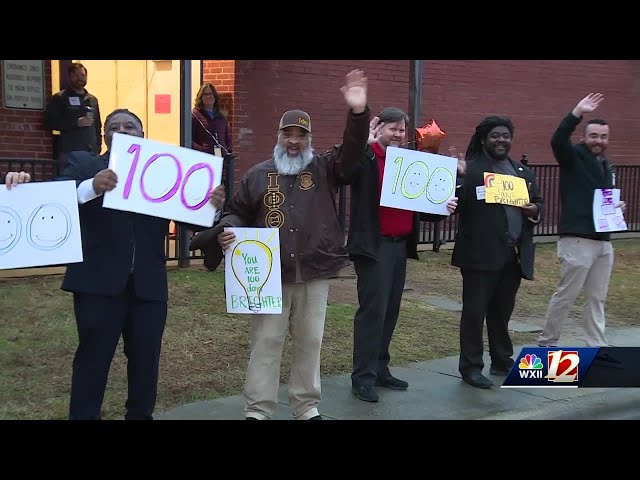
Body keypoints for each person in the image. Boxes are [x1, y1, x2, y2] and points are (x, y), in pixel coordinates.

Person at [208, 69, 371, 420]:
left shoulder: (326, 168)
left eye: (301, 135)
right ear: (278, 136)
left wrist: (358, 113)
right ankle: (259, 409)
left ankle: (305, 405)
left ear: (309, 139)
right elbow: (237, 211)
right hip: (271, 274)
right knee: (266, 342)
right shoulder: (257, 174)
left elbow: (354, 150)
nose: (294, 142)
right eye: (288, 134)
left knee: (310, 342)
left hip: (314, 270)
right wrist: (228, 228)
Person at [58, 108, 172, 420]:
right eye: (114, 126)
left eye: (130, 126)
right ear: (104, 134)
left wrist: (210, 205)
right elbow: (58, 201)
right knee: (92, 362)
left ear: (142, 134)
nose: (121, 130)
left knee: (146, 363)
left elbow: (194, 220)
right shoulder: (85, 164)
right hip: (97, 284)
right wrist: (92, 187)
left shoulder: (162, 172)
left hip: (148, 287)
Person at [346, 108, 458, 403]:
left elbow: (419, 202)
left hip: (399, 245)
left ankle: (381, 368)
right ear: (379, 129)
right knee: (373, 312)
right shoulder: (368, 157)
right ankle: (363, 377)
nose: (397, 134)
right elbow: (347, 172)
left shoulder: (409, 162)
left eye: (401, 130)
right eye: (392, 129)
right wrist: (365, 142)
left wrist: (441, 206)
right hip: (375, 246)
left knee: (391, 310)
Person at [451, 115, 544, 389]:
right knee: (474, 313)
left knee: (502, 312)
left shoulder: (522, 172)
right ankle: (470, 367)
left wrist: (534, 210)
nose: (501, 140)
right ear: (483, 139)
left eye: (505, 135)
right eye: (495, 135)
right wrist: (458, 179)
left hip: (512, 255)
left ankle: (502, 359)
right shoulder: (472, 170)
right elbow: (457, 204)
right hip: (479, 255)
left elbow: (538, 203)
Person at [538, 93, 627, 348]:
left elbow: (600, 199)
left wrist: (616, 206)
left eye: (603, 137)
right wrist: (577, 112)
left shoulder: (606, 165)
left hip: (603, 242)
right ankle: (547, 343)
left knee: (597, 299)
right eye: (594, 135)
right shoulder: (573, 156)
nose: (598, 140)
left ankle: (596, 345)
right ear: (584, 136)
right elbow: (557, 140)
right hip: (577, 240)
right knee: (566, 295)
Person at [184, 82, 231, 269]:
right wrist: (204, 149)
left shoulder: (221, 118)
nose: (208, 97)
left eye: (211, 94)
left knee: (219, 202)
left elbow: (226, 138)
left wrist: (228, 149)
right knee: (204, 200)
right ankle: (202, 236)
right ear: (200, 97)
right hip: (203, 165)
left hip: (220, 164)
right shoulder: (195, 116)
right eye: (205, 95)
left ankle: (212, 239)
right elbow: (189, 139)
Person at [44, 62, 102, 172]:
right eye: (77, 75)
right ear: (70, 76)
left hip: (90, 153)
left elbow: (97, 125)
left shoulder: (92, 99)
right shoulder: (60, 98)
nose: (80, 78)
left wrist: (98, 147)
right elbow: (49, 122)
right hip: (69, 153)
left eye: (83, 75)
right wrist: (75, 123)